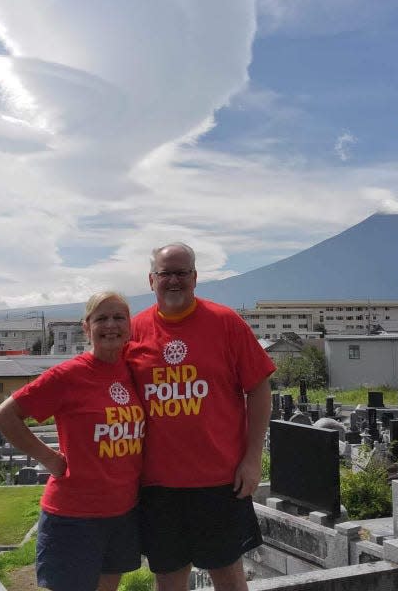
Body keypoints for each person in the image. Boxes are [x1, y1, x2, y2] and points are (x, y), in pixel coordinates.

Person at [127, 243, 276, 591]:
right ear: (152, 280)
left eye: (182, 272)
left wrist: (253, 459)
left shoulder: (226, 323)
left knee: (228, 576)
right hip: (157, 484)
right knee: (169, 580)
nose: (174, 280)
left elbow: (258, 388)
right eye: (166, 273)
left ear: (195, 277)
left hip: (220, 480)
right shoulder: (133, 332)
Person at [0, 292, 145, 591]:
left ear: (129, 326)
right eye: (101, 318)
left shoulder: (133, 371)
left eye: (118, 317)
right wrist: (49, 458)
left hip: (123, 512)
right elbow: (3, 416)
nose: (110, 325)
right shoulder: (68, 375)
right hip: (74, 516)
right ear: (86, 328)